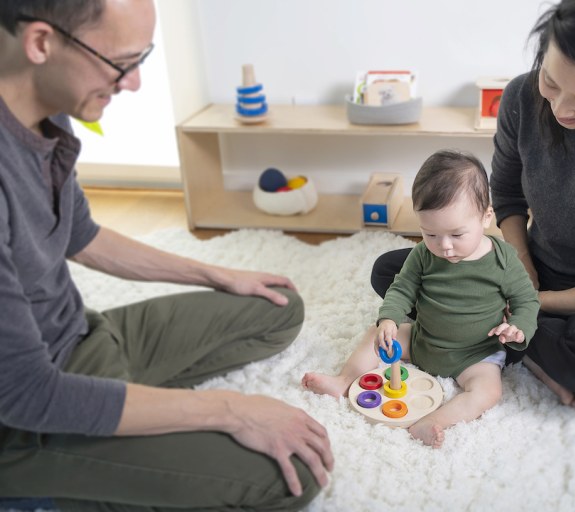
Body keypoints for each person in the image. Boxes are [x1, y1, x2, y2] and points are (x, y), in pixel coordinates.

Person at [0, 1, 333, 510]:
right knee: (286, 477)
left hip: (83, 339)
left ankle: (122, 420)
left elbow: (80, 234)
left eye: (143, 59)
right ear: (42, 43)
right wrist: (232, 409)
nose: (132, 82)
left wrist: (217, 274)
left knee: (277, 306)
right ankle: (56, 490)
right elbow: (27, 394)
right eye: (122, 62)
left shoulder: (48, 111)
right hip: (27, 421)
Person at [371, 0, 575, 407]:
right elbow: (506, 192)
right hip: (534, 266)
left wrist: (522, 304)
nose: (560, 108)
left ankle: (514, 346)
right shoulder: (521, 95)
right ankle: (516, 345)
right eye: (552, 82)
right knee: (390, 272)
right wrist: (520, 263)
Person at [303, 150, 540, 448]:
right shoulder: (423, 254)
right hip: (422, 340)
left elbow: (527, 302)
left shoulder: (504, 261)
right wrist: (389, 319)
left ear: (486, 217)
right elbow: (402, 287)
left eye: (456, 234)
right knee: (375, 336)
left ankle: (433, 422)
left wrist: (518, 327)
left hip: (475, 354)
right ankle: (342, 380)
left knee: (488, 393)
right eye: (430, 234)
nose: (444, 247)